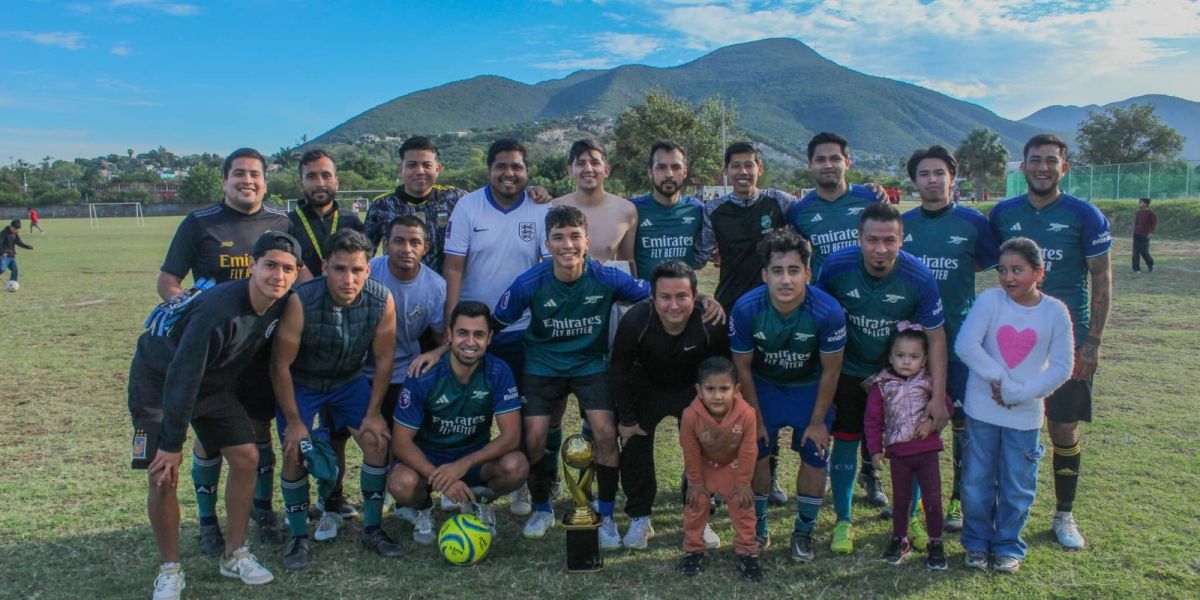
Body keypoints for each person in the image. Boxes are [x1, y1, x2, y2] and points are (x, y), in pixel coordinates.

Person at [128, 232, 301, 600]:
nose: (278, 276)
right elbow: (181, 376)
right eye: (270, 265)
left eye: (287, 269)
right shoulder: (217, 310)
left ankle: (234, 553)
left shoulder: (279, 303)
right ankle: (171, 569)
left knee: (247, 457)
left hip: (210, 382)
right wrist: (172, 444)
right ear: (252, 266)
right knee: (162, 475)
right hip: (159, 380)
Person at [157, 148, 300, 553]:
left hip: (257, 351)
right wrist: (186, 310)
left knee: (257, 434)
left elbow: (295, 279)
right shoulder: (199, 223)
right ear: (225, 180)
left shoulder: (279, 222)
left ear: (266, 181)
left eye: (255, 174)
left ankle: (263, 511)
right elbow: (169, 280)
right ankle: (207, 522)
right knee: (209, 439)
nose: (247, 181)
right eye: (239, 174)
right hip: (211, 352)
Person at [493, 206, 650, 548]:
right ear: (547, 243)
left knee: (607, 436)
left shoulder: (604, 276)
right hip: (542, 365)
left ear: (587, 241)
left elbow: (656, 294)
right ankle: (541, 507)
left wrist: (698, 300)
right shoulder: (530, 282)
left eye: (575, 236)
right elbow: (492, 323)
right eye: (558, 237)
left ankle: (605, 515)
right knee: (534, 438)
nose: (567, 244)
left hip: (589, 364)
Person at [989, 134, 1112, 550]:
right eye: (1034, 160)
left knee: (1062, 426)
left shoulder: (1084, 215)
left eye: (1051, 161)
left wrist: (1092, 342)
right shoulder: (1003, 214)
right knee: (1004, 427)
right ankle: (998, 512)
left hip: (1066, 339)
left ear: (1065, 167)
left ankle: (1064, 515)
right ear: (1022, 166)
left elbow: (1101, 278)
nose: (1042, 167)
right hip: (1010, 341)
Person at [815, 202, 949, 555]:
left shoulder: (918, 277)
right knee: (845, 442)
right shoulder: (836, 267)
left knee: (910, 445)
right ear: (858, 238)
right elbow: (820, 320)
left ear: (902, 240)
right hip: (850, 371)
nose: (880, 249)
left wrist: (936, 396)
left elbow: (936, 338)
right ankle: (844, 520)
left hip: (901, 379)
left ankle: (912, 518)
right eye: (872, 240)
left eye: (890, 240)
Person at [268, 229, 402, 569]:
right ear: (325, 266)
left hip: (348, 380)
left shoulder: (381, 299)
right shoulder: (302, 300)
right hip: (304, 382)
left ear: (368, 270)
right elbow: (280, 365)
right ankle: (299, 536)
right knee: (295, 450)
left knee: (376, 440)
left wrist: (373, 413)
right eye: (340, 269)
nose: (348, 278)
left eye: (357, 270)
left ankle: (372, 528)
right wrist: (296, 423)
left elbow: (385, 360)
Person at [442, 138, 551, 516]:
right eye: (502, 166)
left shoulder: (540, 208)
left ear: (526, 172)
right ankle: (454, 481)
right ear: (489, 169)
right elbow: (453, 267)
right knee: (467, 409)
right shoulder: (468, 206)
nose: (510, 173)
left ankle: (519, 484)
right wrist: (450, 324)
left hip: (521, 330)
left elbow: (547, 269)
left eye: (517, 167)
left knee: (518, 412)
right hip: (474, 332)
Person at [955, 237, 1075, 573]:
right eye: (1003, 270)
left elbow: (1063, 366)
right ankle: (976, 541)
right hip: (982, 411)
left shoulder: (1055, 311)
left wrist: (1020, 394)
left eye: (1017, 270)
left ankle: (1008, 544)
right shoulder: (990, 301)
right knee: (977, 480)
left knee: (1018, 483)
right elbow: (966, 345)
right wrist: (1000, 381)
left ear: (1039, 272)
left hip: (1024, 416)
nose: (1008, 278)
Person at [787, 132, 893, 509]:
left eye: (835, 157)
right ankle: (827, 463)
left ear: (848, 162)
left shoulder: (869, 199)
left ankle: (872, 472)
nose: (828, 164)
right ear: (810, 164)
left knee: (874, 396)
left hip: (872, 315)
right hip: (825, 318)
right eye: (820, 159)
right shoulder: (800, 210)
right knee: (831, 393)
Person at [729, 229, 846, 561]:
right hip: (763, 385)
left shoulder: (827, 311)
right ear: (765, 274)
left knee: (814, 449)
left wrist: (818, 421)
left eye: (794, 270)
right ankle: (760, 525)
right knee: (757, 448)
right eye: (777, 271)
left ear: (808, 273)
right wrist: (757, 419)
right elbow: (743, 369)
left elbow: (831, 370)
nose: (785, 280)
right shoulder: (746, 308)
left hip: (809, 387)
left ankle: (803, 532)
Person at [900, 146, 999, 531]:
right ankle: (912, 500)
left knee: (960, 423)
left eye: (939, 173)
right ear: (915, 181)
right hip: (910, 343)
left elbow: (981, 262)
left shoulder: (973, 222)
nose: (932, 180)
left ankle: (959, 498)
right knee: (910, 420)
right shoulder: (903, 223)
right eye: (924, 174)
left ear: (952, 178)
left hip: (958, 340)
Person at [698, 141, 798, 505]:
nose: (742, 172)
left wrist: (869, 189)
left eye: (749, 166)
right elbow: (697, 254)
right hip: (728, 313)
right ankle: (720, 477)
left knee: (764, 397)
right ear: (726, 172)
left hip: (775, 315)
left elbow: (819, 208)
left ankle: (768, 477)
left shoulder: (781, 204)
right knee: (726, 398)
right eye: (735, 166)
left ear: (760, 170)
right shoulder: (714, 210)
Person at [387, 301, 529, 543]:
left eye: (479, 334)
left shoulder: (498, 371)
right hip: (429, 461)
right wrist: (440, 476)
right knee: (400, 483)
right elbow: (400, 442)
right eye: (463, 333)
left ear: (489, 338)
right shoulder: (424, 374)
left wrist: (464, 464)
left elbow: (511, 437)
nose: (471, 342)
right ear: (450, 334)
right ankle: (423, 509)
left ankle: (477, 501)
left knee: (516, 466)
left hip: (473, 461)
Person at [611, 260, 730, 550]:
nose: (674, 305)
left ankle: (700, 518)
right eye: (665, 297)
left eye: (682, 296)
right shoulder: (636, 320)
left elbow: (721, 370)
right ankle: (640, 518)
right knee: (634, 443)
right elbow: (619, 371)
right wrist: (626, 420)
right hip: (646, 388)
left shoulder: (709, 322)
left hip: (691, 389)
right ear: (654, 298)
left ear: (695, 296)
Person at [288, 149, 364, 521]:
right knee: (297, 436)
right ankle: (296, 510)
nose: (320, 183)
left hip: (344, 337)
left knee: (338, 432)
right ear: (300, 181)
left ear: (337, 180)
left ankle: (332, 497)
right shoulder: (288, 222)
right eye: (312, 176)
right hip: (302, 335)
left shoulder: (351, 220)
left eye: (326, 176)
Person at [365, 214, 448, 521]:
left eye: (415, 242)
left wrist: (437, 353)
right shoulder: (367, 273)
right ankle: (335, 502)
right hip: (360, 372)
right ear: (386, 244)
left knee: (400, 437)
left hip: (404, 371)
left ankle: (402, 495)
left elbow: (445, 338)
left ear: (426, 247)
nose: (406, 248)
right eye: (399, 240)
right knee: (369, 437)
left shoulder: (436, 286)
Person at [363, 136, 550, 271]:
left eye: (427, 165)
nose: (420, 171)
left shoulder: (455, 198)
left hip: (444, 294)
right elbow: (364, 255)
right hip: (398, 295)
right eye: (412, 165)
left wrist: (528, 189)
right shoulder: (382, 206)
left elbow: (497, 191)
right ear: (400, 168)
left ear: (438, 169)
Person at [864, 325, 954, 569]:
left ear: (925, 359)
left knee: (933, 500)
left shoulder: (930, 383)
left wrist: (930, 424)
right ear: (891, 356)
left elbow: (946, 408)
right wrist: (874, 451)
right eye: (900, 355)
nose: (906, 361)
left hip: (927, 454)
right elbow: (872, 421)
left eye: (914, 357)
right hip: (899, 456)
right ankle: (899, 539)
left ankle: (936, 543)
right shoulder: (881, 385)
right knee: (901, 501)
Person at [678, 357, 762, 582]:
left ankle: (747, 552)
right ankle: (693, 550)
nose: (717, 396)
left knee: (743, 504)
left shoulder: (746, 414)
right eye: (710, 389)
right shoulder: (690, 415)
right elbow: (690, 450)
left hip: (733, 466)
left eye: (724, 389)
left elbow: (748, 450)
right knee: (696, 504)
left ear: (736, 390)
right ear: (699, 390)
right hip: (705, 465)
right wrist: (694, 483)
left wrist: (743, 483)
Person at [629, 140, 707, 278]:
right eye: (661, 167)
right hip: (644, 297)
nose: (669, 174)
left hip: (683, 296)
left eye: (676, 167)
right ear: (650, 172)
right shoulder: (632, 209)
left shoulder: (696, 209)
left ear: (685, 172)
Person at [552, 139, 637, 264]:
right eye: (581, 163)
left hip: (608, 283)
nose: (588, 169)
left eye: (595, 163)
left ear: (606, 170)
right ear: (570, 171)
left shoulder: (626, 211)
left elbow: (627, 262)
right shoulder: (554, 208)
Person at [1, 219, 32, 288]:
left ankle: (13, 285)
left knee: (15, 270)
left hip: (12, 255)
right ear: (11, 226)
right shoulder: (3, 233)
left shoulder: (15, 233)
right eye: (15, 228)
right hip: (4, 256)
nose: (16, 230)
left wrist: (27, 247)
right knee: (2, 269)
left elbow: (18, 242)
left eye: (17, 229)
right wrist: (2, 252)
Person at [1133, 197, 1157, 273]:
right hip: (1137, 234)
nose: (1140, 204)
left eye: (1141, 202)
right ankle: (1136, 269)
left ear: (1146, 204)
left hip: (1145, 235)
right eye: (1139, 202)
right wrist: (1135, 230)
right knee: (1135, 252)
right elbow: (1136, 222)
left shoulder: (1150, 213)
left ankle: (1150, 264)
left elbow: (1154, 223)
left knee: (1144, 251)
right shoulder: (1139, 212)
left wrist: (1151, 232)